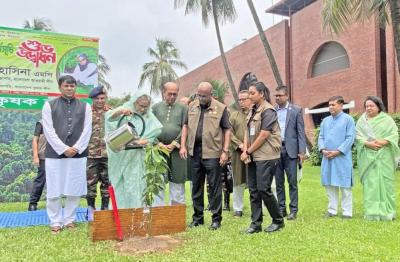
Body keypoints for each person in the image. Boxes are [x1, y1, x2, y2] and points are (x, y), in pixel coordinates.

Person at [42, 75, 92, 234]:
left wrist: (76, 148)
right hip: (55, 155)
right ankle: (55, 221)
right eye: (66, 86)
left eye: (72, 86)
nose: (69, 88)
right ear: (60, 87)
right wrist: (63, 148)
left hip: (78, 154)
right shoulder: (49, 106)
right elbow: (48, 131)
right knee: (54, 189)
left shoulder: (86, 107)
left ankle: (69, 219)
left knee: (74, 188)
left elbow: (87, 130)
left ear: (75, 87)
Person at [180, 82, 231, 230]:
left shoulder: (221, 108)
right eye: (199, 95)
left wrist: (225, 151)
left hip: (213, 153)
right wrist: (183, 145)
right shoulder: (191, 106)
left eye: (204, 95)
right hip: (194, 152)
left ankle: (216, 219)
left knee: (214, 187)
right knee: (196, 186)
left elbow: (227, 130)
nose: (201, 98)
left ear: (211, 94)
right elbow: (185, 126)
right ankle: (198, 218)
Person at [105, 90, 162, 209]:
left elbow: (153, 135)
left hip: (138, 158)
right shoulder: (126, 109)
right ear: (135, 102)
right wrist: (121, 112)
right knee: (121, 185)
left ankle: (137, 212)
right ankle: (120, 214)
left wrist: (141, 142)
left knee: (137, 185)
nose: (142, 109)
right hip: (121, 157)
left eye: (145, 107)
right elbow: (109, 118)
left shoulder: (149, 116)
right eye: (141, 106)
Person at [240, 81, 284, 234]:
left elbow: (264, 135)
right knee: (253, 190)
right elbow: (247, 132)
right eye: (249, 93)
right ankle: (255, 224)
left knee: (263, 189)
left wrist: (248, 152)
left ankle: (278, 221)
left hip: (266, 155)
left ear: (262, 94)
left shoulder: (268, 110)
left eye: (252, 93)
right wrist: (245, 151)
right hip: (253, 154)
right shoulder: (252, 110)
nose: (249, 96)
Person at [356, 96, 400, 221]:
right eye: (366, 106)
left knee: (386, 184)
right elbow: (358, 136)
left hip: (384, 156)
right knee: (371, 185)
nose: (368, 108)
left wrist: (382, 142)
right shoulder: (362, 121)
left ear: (378, 106)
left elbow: (394, 135)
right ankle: (372, 213)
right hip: (368, 157)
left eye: (371, 105)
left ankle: (389, 212)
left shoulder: (387, 120)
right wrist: (367, 143)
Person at [318, 96, 355, 219]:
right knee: (330, 184)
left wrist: (338, 151)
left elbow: (350, 138)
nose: (330, 107)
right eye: (329, 105)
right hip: (327, 157)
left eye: (333, 104)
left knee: (345, 185)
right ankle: (332, 210)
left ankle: (347, 212)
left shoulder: (348, 120)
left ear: (341, 105)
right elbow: (321, 137)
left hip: (342, 158)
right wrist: (322, 149)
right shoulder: (325, 121)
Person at [274, 86, 306, 220]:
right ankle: (282, 209)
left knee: (292, 182)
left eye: (280, 95)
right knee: (279, 182)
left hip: (291, 151)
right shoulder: (272, 111)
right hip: (276, 150)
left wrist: (302, 151)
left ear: (286, 96)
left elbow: (300, 132)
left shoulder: (296, 110)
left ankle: (293, 209)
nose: (277, 98)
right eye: (276, 95)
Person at [152, 82, 188, 205]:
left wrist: (175, 143)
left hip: (177, 151)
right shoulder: (155, 108)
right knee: (158, 181)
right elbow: (150, 128)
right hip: (158, 151)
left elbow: (186, 127)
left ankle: (176, 214)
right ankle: (158, 212)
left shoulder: (183, 108)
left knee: (177, 182)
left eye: (175, 94)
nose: (172, 96)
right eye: (170, 94)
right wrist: (158, 144)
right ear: (163, 92)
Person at [86, 86, 111, 215]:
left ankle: (105, 208)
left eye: (102, 98)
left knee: (107, 181)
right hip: (91, 153)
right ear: (92, 99)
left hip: (108, 154)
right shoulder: (86, 113)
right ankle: (91, 208)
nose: (100, 101)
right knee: (91, 182)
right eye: (97, 99)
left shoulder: (111, 112)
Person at [229, 90, 252, 217]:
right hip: (238, 153)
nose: (242, 102)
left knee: (256, 180)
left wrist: (250, 147)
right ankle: (238, 208)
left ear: (251, 99)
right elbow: (229, 133)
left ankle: (259, 206)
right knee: (238, 180)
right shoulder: (234, 116)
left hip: (255, 152)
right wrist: (240, 145)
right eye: (240, 100)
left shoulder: (257, 115)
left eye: (244, 99)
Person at [28, 120, 47, 211]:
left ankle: (55, 203)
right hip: (44, 156)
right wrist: (35, 156)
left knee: (57, 181)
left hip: (57, 157)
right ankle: (33, 203)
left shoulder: (60, 121)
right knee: (41, 180)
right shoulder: (41, 123)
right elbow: (35, 140)